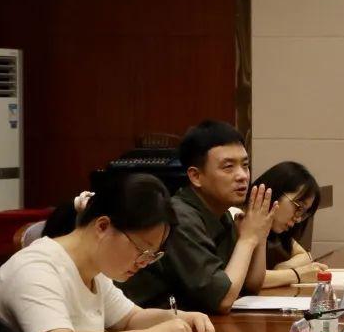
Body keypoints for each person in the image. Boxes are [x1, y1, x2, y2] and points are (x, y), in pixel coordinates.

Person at [0, 174, 213, 332]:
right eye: (141, 250)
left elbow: (130, 319)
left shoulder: (95, 270)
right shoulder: (36, 267)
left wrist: (179, 318)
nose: (143, 263)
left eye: (151, 256)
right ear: (102, 226)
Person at [118, 121, 277, 314]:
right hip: (145, 324)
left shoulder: (221, 213)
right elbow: (223, 299)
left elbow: (251, 286)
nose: (242, 176)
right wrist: (248, 239)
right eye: (228, 167)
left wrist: (260, 235)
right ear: (196, 176)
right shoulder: (179, 217)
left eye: (245, 165)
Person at [252, 161, 328, 289]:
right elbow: (251, 280)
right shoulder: (239, 219)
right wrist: (297, 274)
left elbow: (305, 255)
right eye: (299, 207)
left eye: (304, 212)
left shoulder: (275, 229)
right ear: (275, 191)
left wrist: (282, 269)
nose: (298, 219)